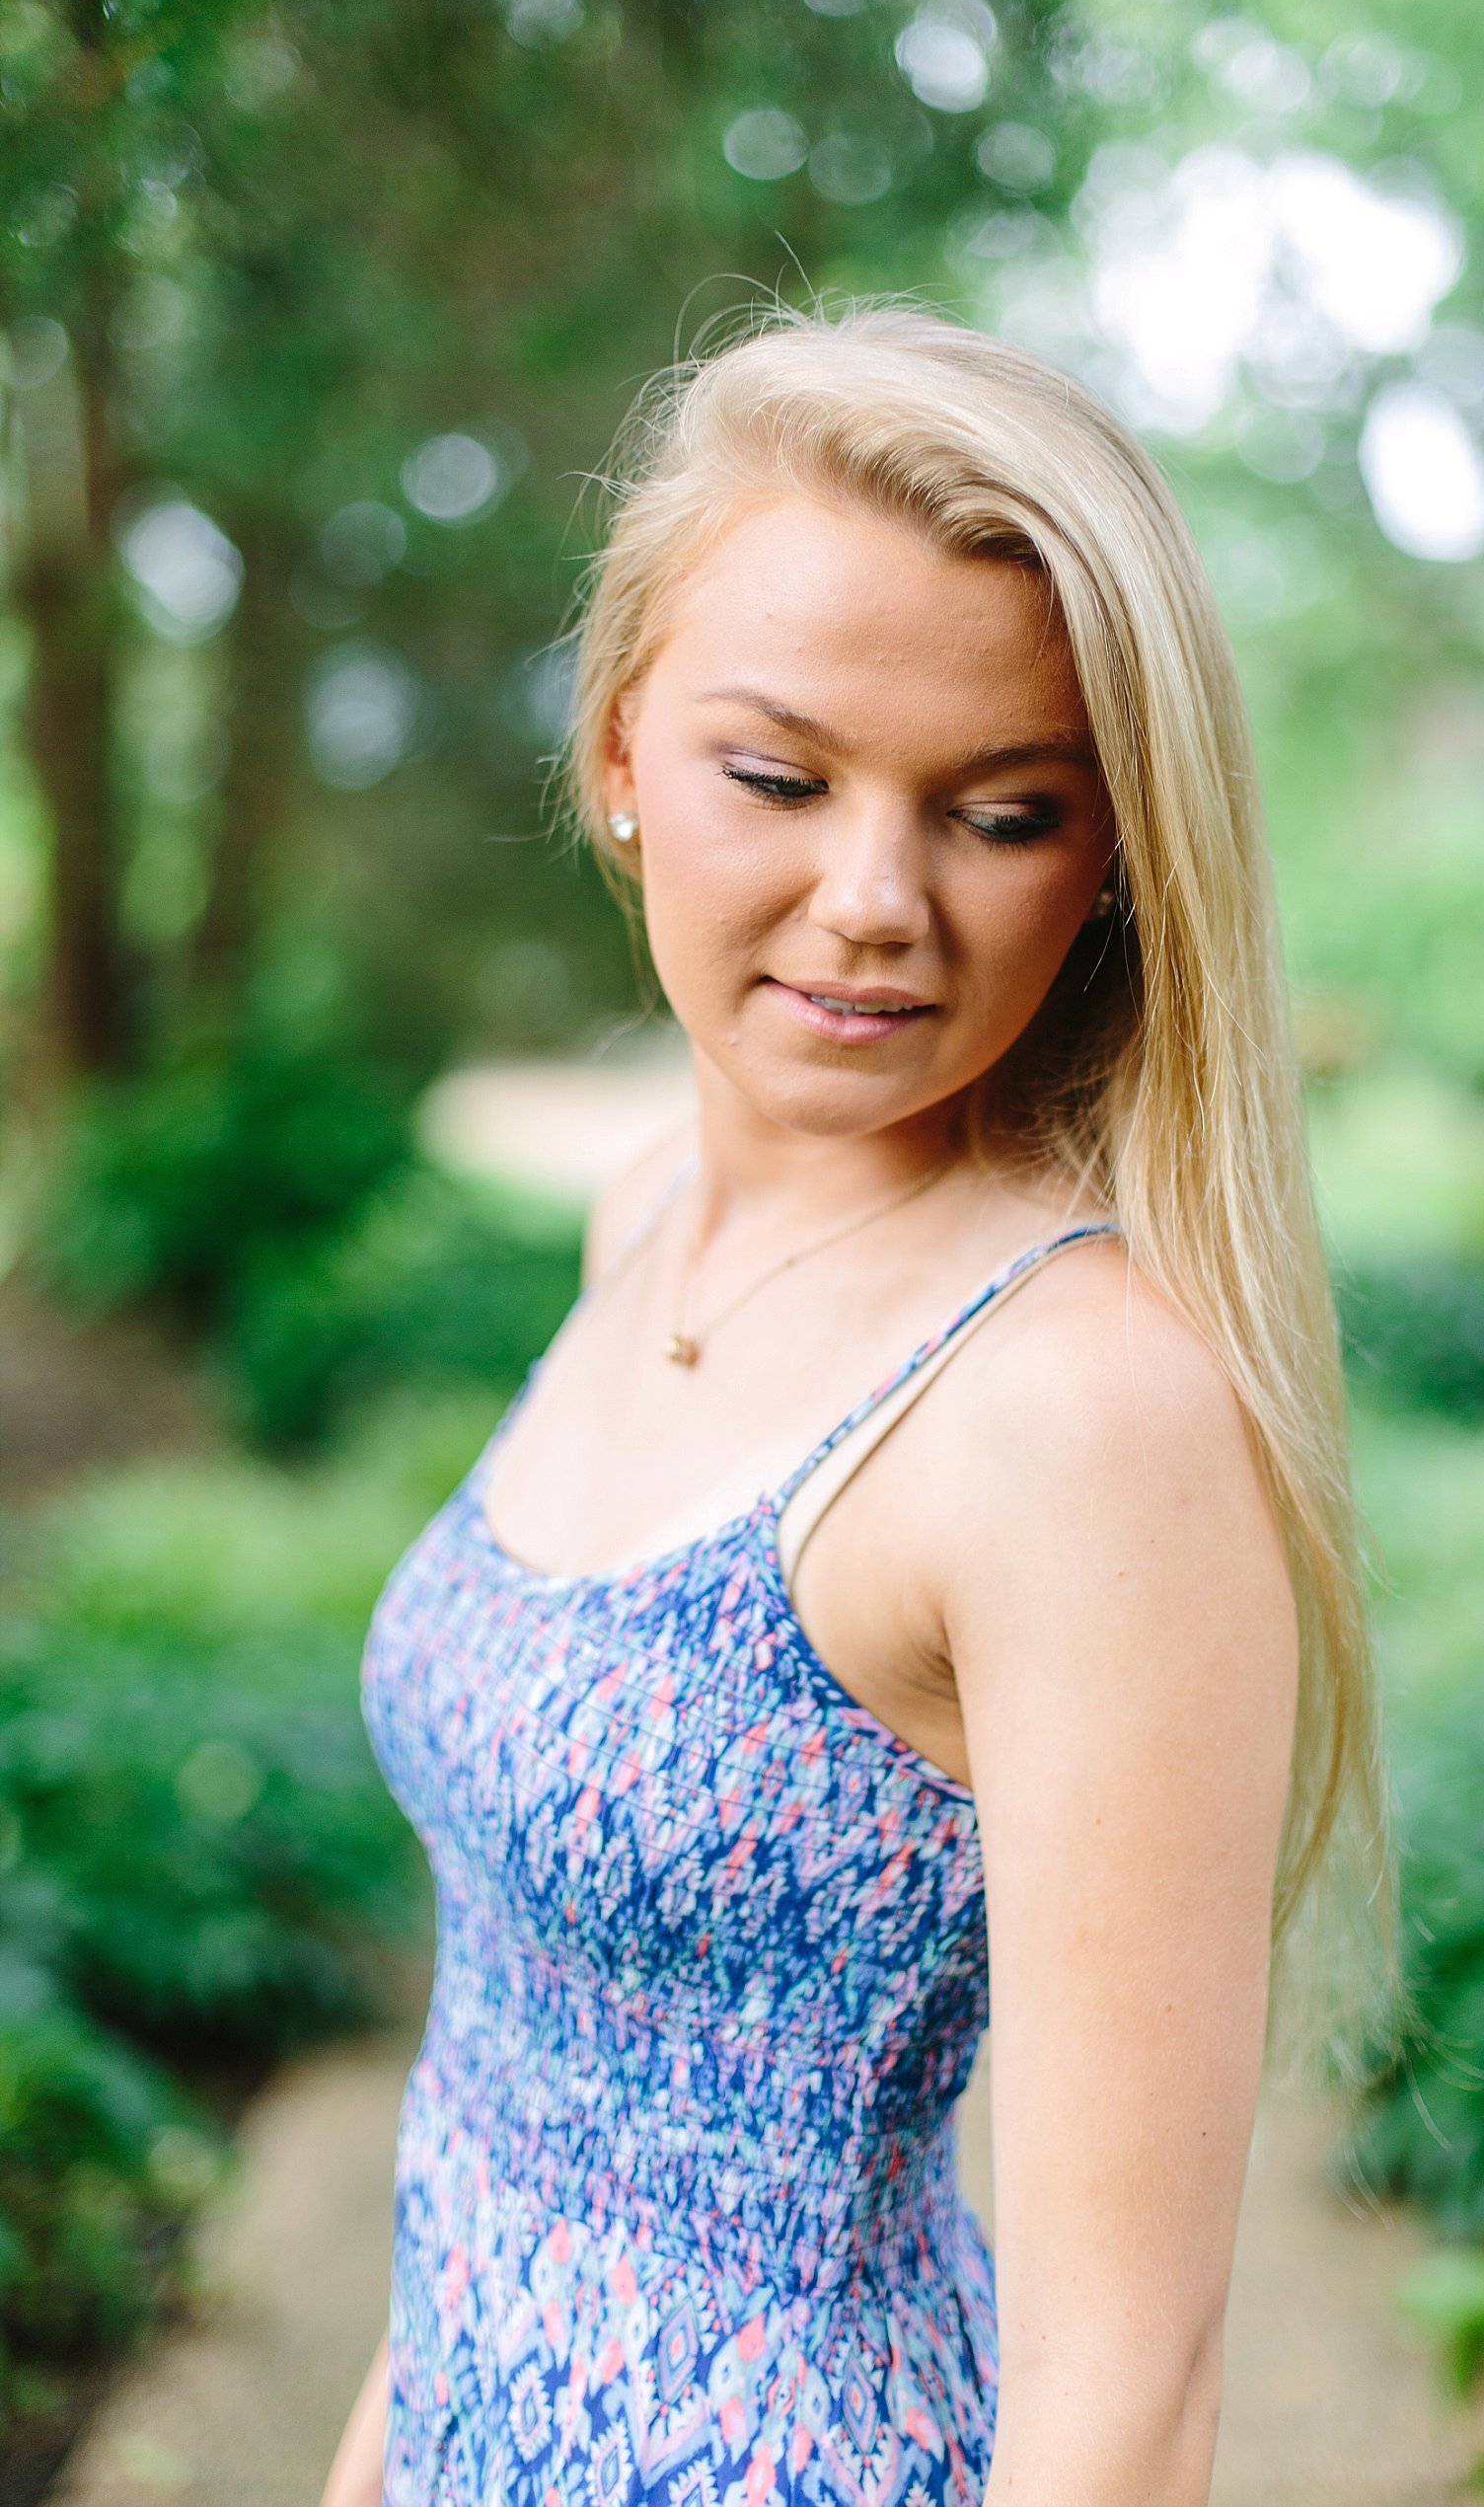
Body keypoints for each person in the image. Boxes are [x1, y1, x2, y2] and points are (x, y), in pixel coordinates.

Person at [320, 306, 1379, 2503]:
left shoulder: (1074, 1419)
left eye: (1001, 814)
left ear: (1112, 864)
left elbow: (1131, 2400)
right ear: (619, 751)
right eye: (779, 780)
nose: (875, 904)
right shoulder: (643, 1223)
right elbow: (494, 2095)